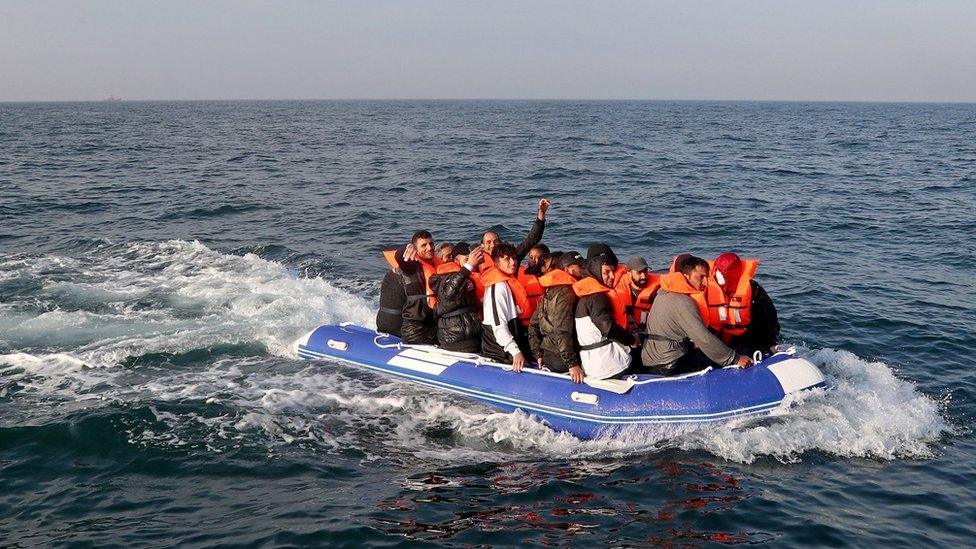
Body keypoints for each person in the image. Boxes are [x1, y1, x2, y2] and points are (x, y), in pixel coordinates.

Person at [641, 256, 753, 376]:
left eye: (706, 277)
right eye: (701, 277)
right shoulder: (682, 302)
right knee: (738, 355)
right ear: (686, 276)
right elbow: (703, 338)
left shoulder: (664, 293)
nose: (705, 282)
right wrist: (734, 359)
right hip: (669, 363)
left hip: (652, 359)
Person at [573, 248, 638, 380]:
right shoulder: (596, 297)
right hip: (609, 365)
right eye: (607, 272)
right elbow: (607, 328)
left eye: (613, 271)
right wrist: (631, 340)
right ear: (596, 271)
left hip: (592, 362)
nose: (612, 276)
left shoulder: (586, 294)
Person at [529, 251, 586, 383]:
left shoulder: (548, 293)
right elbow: (561, 331)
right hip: (562, 358)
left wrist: (537, 353)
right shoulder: (565, 294)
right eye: (580, 266)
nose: (583, 269)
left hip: (550, 354)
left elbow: (533, 325)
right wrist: (572, 364)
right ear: (568, 270)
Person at [378, 230, 443, 345]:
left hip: (426, 321)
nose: (429, 247)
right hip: (415, 328)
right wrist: (405, 249)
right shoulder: (412, 267)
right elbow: (401, 259)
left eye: (431, 244)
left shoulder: (436, 265)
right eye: (424, 245)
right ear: (415, 249)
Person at [709, 252, 781, 356]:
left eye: (724, 274)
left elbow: (769, 319)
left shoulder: (754, 290)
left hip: (744, 340)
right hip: (714, 339)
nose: (720, 277)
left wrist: (771, 343)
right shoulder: (706, 287)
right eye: (718, 272)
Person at [481, 243, 534, 370]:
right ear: (496, 263)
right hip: (500, 352)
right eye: (507, 259)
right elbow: (498, 326)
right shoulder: (497, 287)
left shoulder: (506, 282)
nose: (513, 262)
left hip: (511, 343)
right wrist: (515, 352)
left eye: (514, 258)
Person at [429, 242, 485, 353]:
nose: (472, 263)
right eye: (467, 259)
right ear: (456, 261)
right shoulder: (445, 278)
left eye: (472, 259)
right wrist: (468, 266)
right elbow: (449, 292)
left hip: (474, 335)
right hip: (454, 338)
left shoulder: (473, 277)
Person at [481, 198, 551, 269]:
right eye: (488, 242)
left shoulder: (513, 256)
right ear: (482, 247)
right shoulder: (476, 261)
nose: (493, 245)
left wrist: (541, 213)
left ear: (500, 243)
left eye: (496, 241)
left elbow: (532, 239)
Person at [615, 257, 661, 335]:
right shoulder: (618, 291)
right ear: (629, 273)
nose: (644, 276)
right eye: (639, 273)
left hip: (649, 332)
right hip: (627, 334)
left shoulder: (657, 290)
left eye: (645, 271)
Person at [517, 244, 550, 316]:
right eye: (531, 257)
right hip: (525, 320)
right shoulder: (519, 273)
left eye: (537, 257)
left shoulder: (552, 274)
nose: (533, 260)